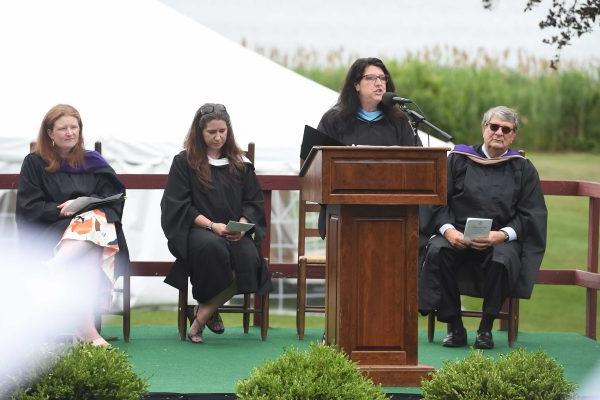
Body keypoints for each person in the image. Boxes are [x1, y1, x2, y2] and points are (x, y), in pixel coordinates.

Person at [418, 106, 547, 349]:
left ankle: (485, 329)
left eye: (505, 129)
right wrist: (449, 231)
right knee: (437, 251)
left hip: (498, 238)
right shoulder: (458, 159)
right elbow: (437, 201)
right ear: (484, 128)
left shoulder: (522, 168)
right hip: (456, 233)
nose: (498, 133)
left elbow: (530, 213)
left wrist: (501, 235)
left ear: (513, 134)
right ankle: (455, 327)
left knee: (504, 259)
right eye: (494, 127)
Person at [16, 104, 129, 347]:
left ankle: (53, 268)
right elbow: (29, 207)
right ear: (50, 133)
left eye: (74, 127)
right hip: (50, 229)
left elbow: (115, 198)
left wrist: (84, 206)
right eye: (63, 128)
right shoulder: (35, 163)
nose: (70, 132)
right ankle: (87, 331)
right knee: (93, 242)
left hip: (92, 229)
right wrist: (61, 209)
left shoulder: (93, 162)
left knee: (95, 223)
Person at [161, 103, 271, 344]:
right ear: (200, 133)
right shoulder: (184, 163)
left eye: (223, 131)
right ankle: (203, 319)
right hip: (198, 230)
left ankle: (201, 314)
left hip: (233, 232)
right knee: (213, 249)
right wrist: (212, 226)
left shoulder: (241, 164)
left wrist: (241, 225)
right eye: (212, 132)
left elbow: (253, 202)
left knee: (249, 259)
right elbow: (178, 205)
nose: (218, 137)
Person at [315, 57, 422, 237]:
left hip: (394, 211)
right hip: (345, 211)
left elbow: (416, 164)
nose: (379, 83)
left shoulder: (399, 120)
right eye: (371, 78)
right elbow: (317, 166)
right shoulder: (334, 120)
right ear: (356, 84)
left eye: (383, 78)